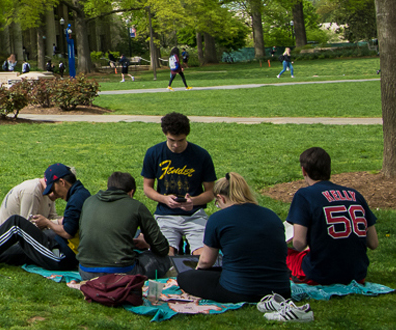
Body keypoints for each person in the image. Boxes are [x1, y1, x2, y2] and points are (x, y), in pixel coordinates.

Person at [179, 172, 299, 317]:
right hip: (280, 289)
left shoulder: (218, 218)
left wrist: (198, 272)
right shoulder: (271, 215)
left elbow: (205, 261)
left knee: (185, 277)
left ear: (221, 198)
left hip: (240, 291)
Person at [285, 146, 378, 285]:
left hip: (320, 273)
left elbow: (299, 244)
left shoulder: (304, 195)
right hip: (357, 274)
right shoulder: (355, 195)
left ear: (304, 170)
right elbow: (373, 243)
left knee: (276, 251)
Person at [0, 164, 84, 269]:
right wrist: (54, 222)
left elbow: (67, 232)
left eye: (53, 189)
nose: (53, 194)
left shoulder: (75, 200)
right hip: (64, 249)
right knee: (16, 228)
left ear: (62, 182)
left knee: (16, 225)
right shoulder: (80, 194)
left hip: (63, 255)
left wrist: (48, 223)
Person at [142, 112, 217, 254]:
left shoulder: (201, 155)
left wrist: (192, 201)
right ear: (165, 134)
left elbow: (210, 192)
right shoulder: (154, 153)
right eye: (172, 140)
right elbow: (147, 188)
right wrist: (164, 199)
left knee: (202, 256)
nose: (176, 145)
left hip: (194, 215)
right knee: (165, 255)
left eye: (181, 140)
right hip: (165, 215)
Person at [74, 172, 171, 275]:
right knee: (164, 260)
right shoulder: (136, 206)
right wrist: (147, 243)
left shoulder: (89, 201)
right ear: (131, 192)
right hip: (121, 273)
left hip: (85, 271)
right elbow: (162, 248)